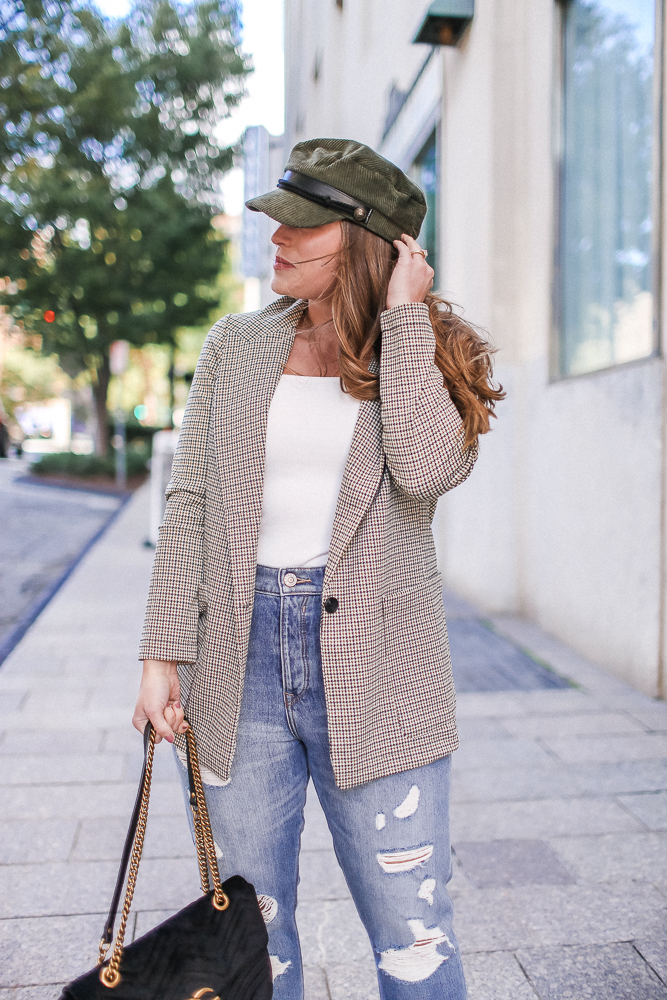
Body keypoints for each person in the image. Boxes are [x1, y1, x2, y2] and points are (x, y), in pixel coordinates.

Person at [133, 138, 503, 1000]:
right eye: (276, 220)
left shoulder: (432, 353)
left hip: (380, 674)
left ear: (371, 242)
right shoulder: (235, 346)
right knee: (253, 936)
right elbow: (188, 503)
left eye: (305, 226)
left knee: (412, 935)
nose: (278, 239)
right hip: (239, 663)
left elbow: (422, 470)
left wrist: (405, 319)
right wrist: (160, 655)